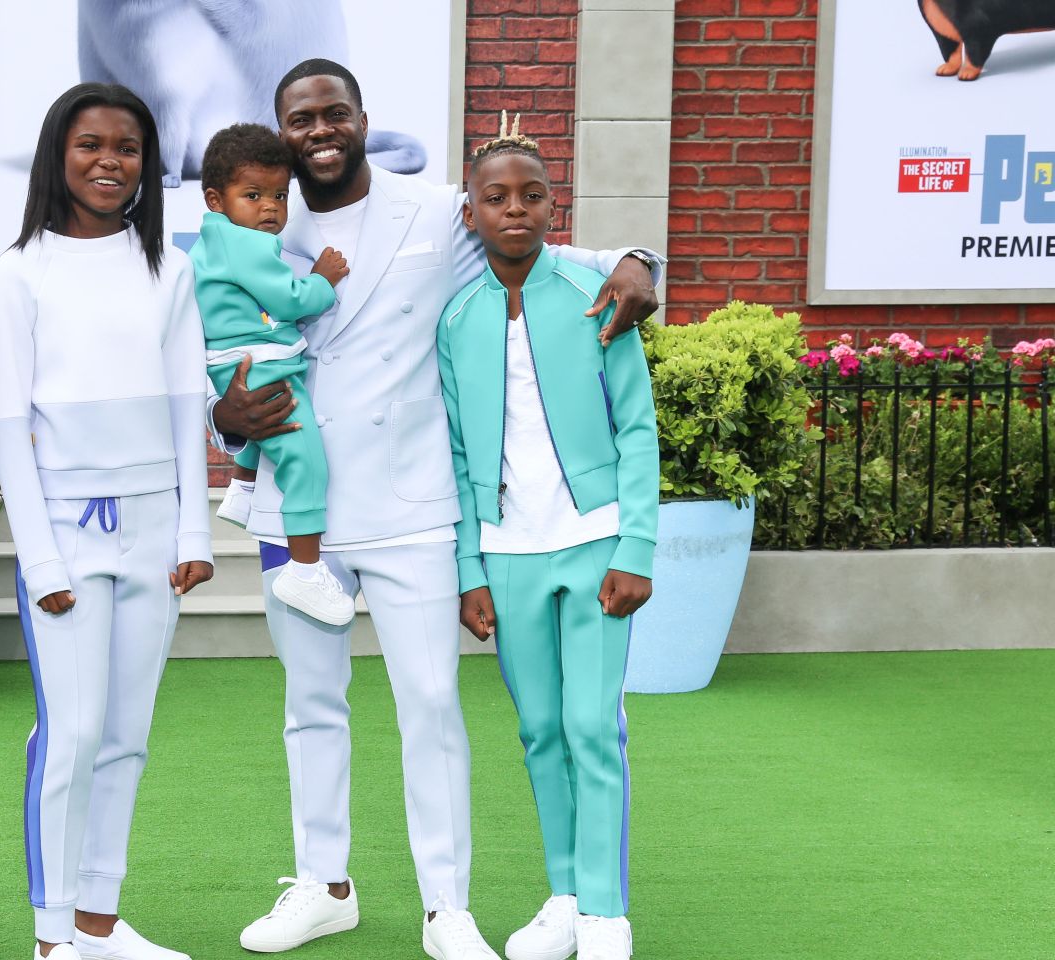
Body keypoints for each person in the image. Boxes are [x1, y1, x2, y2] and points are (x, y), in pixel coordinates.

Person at [211, 60, 664, 960]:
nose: (320, 131)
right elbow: (221, 339)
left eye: (334, 113)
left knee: (430, 703)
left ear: (363, 119)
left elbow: (543, 251)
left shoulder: (434, 208)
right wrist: (225, 428)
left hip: (413, 505)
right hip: (296, 511)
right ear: (281, 130)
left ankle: (446, 906)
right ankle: (322, 885)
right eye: (302, 119)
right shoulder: (255, 216)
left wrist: (640, 262)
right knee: (310, 704)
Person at [0, 82, 215, 960]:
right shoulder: (21, 271)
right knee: (72, 734)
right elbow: (9, 424)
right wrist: (37, 561)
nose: (110, 161)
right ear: (57, 155)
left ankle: (99, 923)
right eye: (90, 145)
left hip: (156, 532)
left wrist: (194, 533)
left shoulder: (170, 267)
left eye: (127, 147)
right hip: (68, 535)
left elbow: (188, 402)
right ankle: (52, 940)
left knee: (126, 738)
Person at [442, 117, 657, 960]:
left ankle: (606, 910)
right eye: (496, 198)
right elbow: (459, 453)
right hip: (506, 551)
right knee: (539, 729)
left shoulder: (596, 292)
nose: (515, 210)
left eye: (532, 195)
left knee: (592, 725)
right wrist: (470, 569)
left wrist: (637, 547)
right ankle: (564, 895)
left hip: (597, 541)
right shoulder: (457, 317)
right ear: (471, 214)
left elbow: (636, 429)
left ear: (552, 204)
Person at [192, 122, 355, 626]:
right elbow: (288, 299)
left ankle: (242, 489)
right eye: (253, 194)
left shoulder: (216, 240)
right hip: (259, 366)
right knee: (307, 461)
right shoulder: (245, 245)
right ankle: (304, 568)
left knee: (269, 435)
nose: (270, 207)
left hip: (240, 363)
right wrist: (322, 281)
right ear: (216, 200)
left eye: (280, 195)